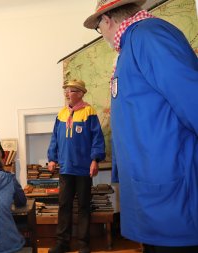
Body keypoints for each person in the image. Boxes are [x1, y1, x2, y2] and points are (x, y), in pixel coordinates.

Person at [83, 0, 198, 252]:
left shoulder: (149, 36)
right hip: (152, 190)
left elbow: (192, 98)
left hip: (171, 194)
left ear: (107, 20)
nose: (101, 34)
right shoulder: (133, 44)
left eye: (98, 27)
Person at [47, 79, 106, 253]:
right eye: (66, 90)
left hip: (83, 168)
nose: (67, 94)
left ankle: (83, 244)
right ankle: (62, 243)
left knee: (83, 206)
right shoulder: (61, 114)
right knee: (64, 205)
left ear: (80, 93)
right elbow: (54, 138)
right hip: (65, 168)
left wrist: (95, 160)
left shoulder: (89, 112)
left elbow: (97, 139)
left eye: (71, 90)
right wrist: (52, 158)